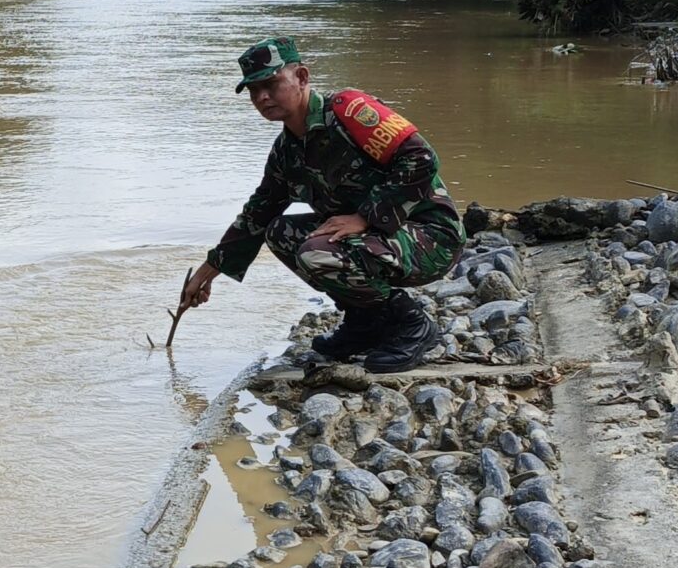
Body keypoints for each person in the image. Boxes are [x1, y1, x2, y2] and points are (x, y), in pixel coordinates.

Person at [176, 35, 463, 369]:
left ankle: (410, 324)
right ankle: (364, 323)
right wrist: (209, 271)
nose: (262, 97)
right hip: (378, 241)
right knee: (280, 232)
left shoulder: (349, 111)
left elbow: (421, 158)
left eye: (271, 84)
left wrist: (364, 217)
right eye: (254, 91)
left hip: (429, 236)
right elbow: (258, 214)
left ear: (302, 77)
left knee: (317, 250)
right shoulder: (286, 151)